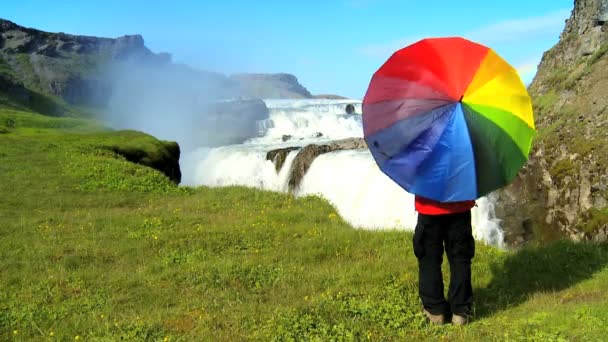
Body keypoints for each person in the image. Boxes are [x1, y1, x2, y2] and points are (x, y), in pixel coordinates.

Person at [412, 195, 476, 325]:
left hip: (428, 205)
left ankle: (434, 312)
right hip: (460, 205)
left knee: (428, 259)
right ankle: (460, 312)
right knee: (460, 258)